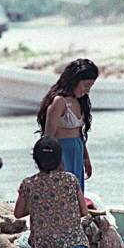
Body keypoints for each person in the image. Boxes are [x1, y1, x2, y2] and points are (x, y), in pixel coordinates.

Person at [37, 58, 99, 191]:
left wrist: (86, 158)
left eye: (90, 86)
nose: (87, 90)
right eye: (86, 85)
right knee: (63, 191)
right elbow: (48, 138)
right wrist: (55, 163)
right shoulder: (59, 101)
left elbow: (79, 132)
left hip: (77, 149)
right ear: (75, 80)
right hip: (61, 152)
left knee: (76, 192)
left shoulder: (81, 101)